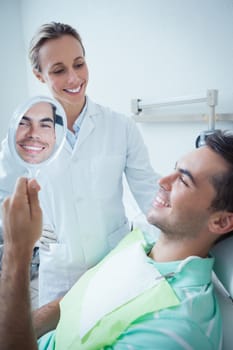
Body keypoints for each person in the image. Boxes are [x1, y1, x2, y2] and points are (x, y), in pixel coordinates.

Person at [1, 130, 233, 350]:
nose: (162, 181)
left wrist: (17, 253)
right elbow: (79, 300)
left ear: (221, 222)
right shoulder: (138, 242)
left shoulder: (179, 325)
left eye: (183, 180)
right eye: (174, 169)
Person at [0, 22, 158, 306]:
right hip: (61, 270)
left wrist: (171, 247)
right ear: (39, 75)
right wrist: (32, 232)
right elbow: (3, 195)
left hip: (115, 260)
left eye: (79, 64)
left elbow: (150, 195)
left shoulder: (120, 127)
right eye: (59, 70)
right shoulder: (25, 135)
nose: (74, 78)